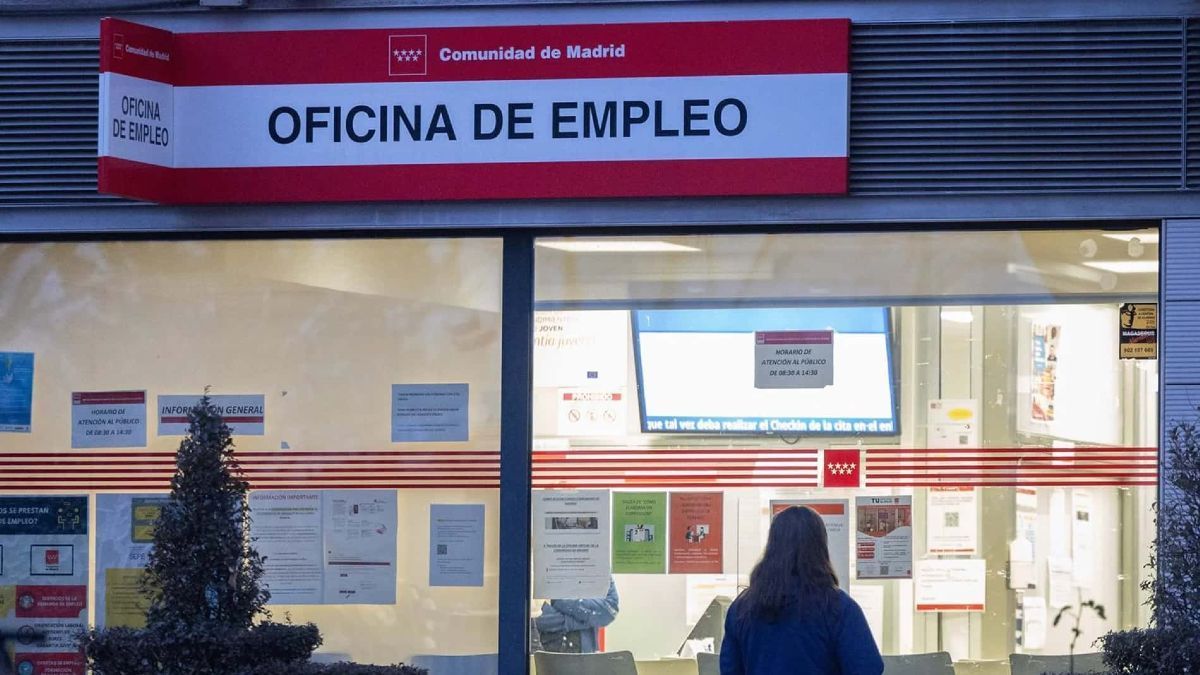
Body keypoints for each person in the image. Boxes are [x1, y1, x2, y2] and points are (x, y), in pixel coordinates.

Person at [720, 506, 884, 675]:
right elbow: (867, 668)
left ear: (772, 546)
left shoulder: (742, 608)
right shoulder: (838, 607)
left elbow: (729, 669)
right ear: (820, 547)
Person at [534, 579, 620, 653]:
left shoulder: (596, 567)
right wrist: (587, 620)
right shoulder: (539, 566)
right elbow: (536, 616)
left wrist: (557, 600)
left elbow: (609, 610)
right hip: (547, 656)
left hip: (586, 658)